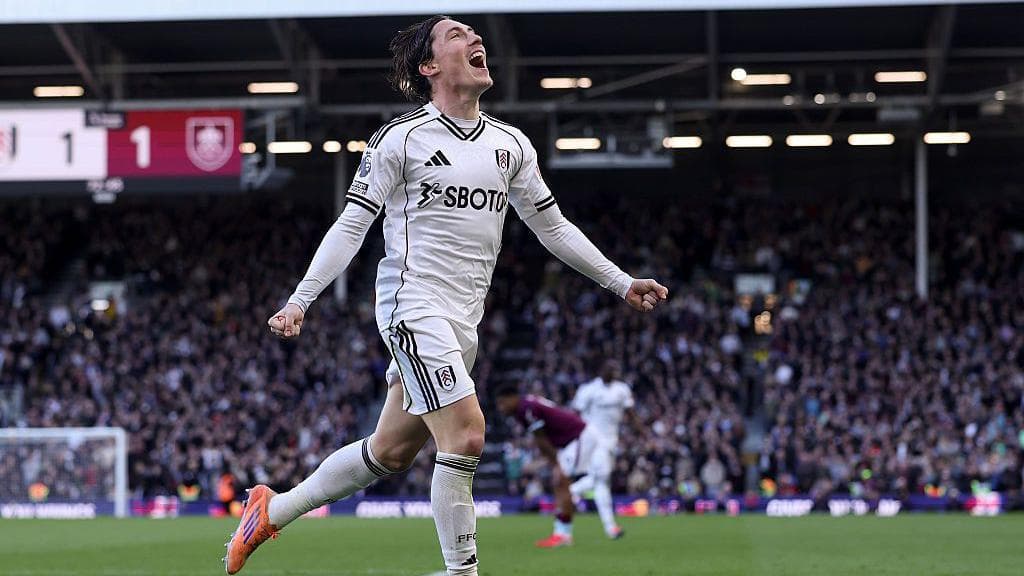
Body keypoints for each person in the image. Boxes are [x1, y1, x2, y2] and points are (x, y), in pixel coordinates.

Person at [224, 14, 668, 576]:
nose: (475, 39)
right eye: (457, 35)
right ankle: (463, 572)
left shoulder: (511, 146)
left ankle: (270, 511)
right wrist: (301, 299)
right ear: (429, 67)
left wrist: (621, 281)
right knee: (467, 434)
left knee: (389, 452)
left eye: (475, 34)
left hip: (464, 323)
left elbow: (552, 227)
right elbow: (351, 225)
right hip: (413, 305)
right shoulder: (401, 139)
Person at [495, 386, 591, 548]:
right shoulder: (526, 406)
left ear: (513, 397)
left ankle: (563, 535)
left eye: (502, 403)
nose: (501, 408)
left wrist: (556, 464)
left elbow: (541, 439)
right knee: (560, 482)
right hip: (570, 441)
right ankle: (561, 533)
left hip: (579, 437)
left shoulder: (526, 409)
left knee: (562, 481)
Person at [569, 359, 636, 539]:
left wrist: (642, 433)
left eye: (616, 369)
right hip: (592, 440)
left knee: (600, 480)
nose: (615, 372)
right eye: (611, 369)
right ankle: (610, 528)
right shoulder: (588, 390)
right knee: (601, 479)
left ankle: (571, 492)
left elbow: (630, 413)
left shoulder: (622, 390)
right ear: (602, 370)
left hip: (611, 442)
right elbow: (575, 415)